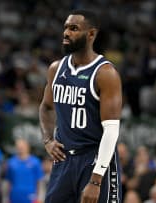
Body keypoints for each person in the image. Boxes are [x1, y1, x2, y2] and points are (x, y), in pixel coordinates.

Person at [39, 9, 123, 203]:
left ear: (91, 34)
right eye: (66, 28)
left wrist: (95, 181)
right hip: (64, 160)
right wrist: (47, 140)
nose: (66, 33)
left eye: (74, 28)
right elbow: (46, 107)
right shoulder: (56, 69)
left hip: (94, 160)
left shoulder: (105, 73)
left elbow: (111, 131)